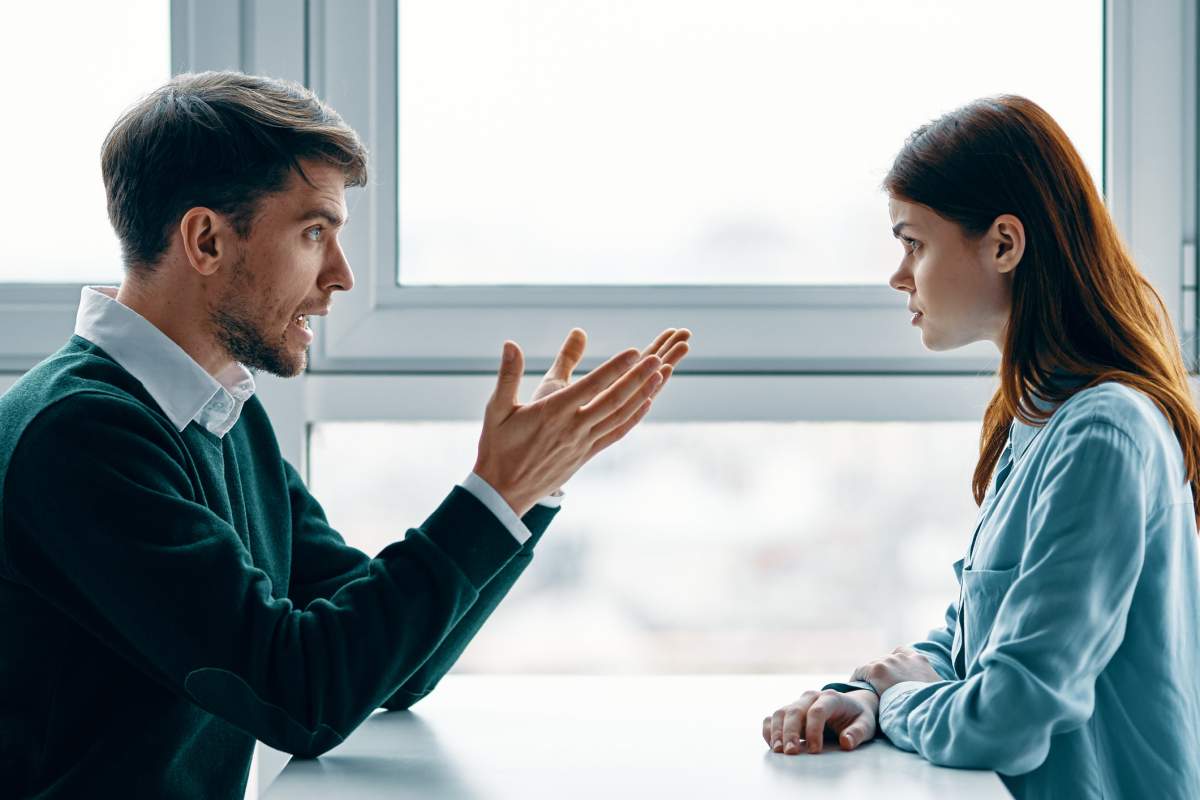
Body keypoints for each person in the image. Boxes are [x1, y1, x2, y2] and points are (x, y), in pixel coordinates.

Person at [0, 71, 690, 798]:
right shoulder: (81, 436)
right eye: (313, 231)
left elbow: (387, 669)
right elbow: (303, 695)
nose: (342, 276)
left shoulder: (215, 411)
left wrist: (527, 489)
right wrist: (494, 494)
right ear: (205, 240)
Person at [761, 96, 1200, 798]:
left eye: (915, 243)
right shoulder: (1036, 419)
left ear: (1003, 243)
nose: (899, 275)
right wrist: (867, 691)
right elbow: (977, 644)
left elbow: (1009, 714)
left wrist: (896, 704)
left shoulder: (1103, 434)